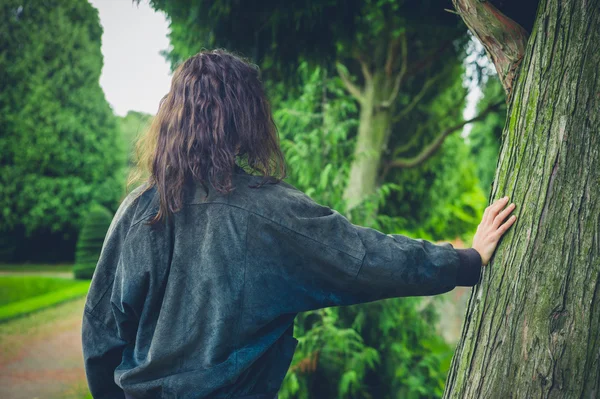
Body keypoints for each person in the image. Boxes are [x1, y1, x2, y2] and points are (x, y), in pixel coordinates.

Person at [81, 49, 517, 399]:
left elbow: (100, 337)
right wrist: (468, 261)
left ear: (174, 118)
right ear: (244, 118)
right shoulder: (268, 211)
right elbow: (366, 259)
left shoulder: (136, 209)